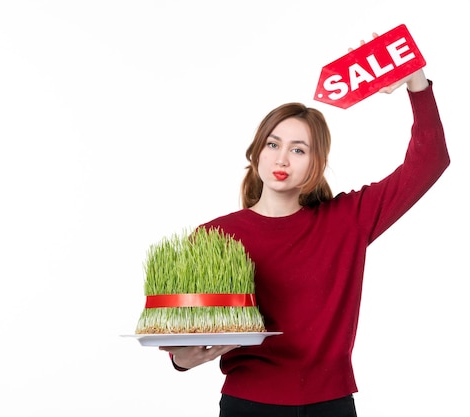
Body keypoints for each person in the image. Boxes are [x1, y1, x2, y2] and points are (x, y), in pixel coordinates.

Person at [158, 34, 450, 417]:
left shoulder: (347, 220)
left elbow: (430, 161)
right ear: (256, 152)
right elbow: (186, 339)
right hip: (248, 405)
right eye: (273, 144)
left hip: (331, 405)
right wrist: (183, 359)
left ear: (316, 163)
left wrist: (416, 82)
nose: (283, 157)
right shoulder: (214, 236)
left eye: (299, 149)